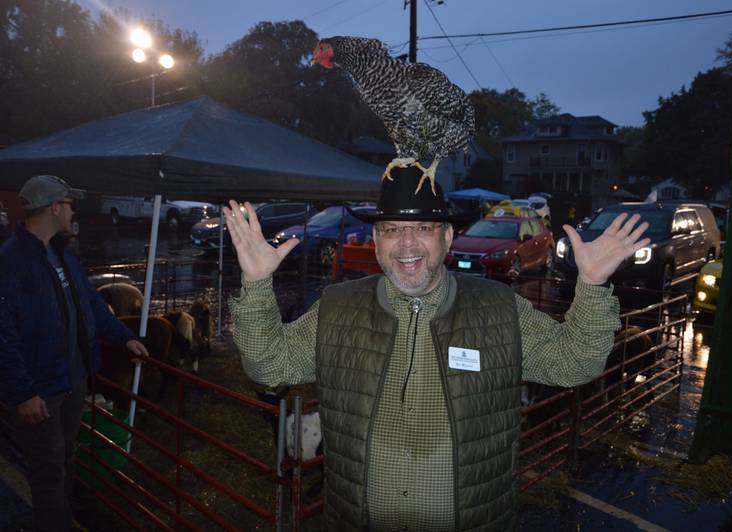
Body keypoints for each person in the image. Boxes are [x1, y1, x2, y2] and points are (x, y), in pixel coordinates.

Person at [226, 169, 650, 531]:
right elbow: (269, 366)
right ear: (376, 239)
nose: (407, 244)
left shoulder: (498, 309)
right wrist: (257, 285)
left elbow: (574, 363)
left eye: (423, 229)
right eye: (392, 229)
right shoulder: (337, 308)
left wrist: (591, 287)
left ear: (447, 237)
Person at [0, 175, 149, 532]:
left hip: (73, 380)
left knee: (65, 459)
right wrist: (23, 392)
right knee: (48, 470)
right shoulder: (11, 262)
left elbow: (91, 305)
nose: (72, 211)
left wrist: (123, 337)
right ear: (53, 208)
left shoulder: (62, 253)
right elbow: (2, 334)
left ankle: (59, 519)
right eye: (68, 205)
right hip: (41, 392)